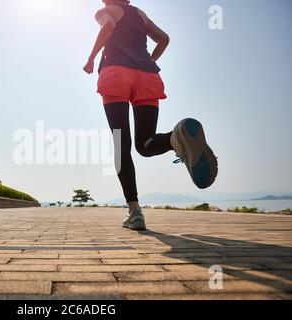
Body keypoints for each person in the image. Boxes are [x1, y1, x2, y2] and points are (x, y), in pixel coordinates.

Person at [83, 0, 218, 231]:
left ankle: (135, 212)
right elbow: (164, 39)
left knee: (120, 145)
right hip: (148, 77)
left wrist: (91, 58)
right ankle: (174, 139)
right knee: (145, 144)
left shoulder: (104, 11)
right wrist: (149, 61)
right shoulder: (139, 14)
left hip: (116, 75)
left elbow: (108, 27)